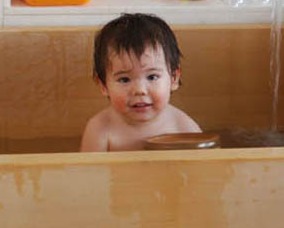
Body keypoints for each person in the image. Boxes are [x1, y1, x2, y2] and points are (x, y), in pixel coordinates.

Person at [80, 13, 201, 151]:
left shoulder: (182, 127)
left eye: (152, 77)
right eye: (124, 79)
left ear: (174, 78)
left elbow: (204, 168)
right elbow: (88, 171)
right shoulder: (100, 129)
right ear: (103, 86)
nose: (139, 90)